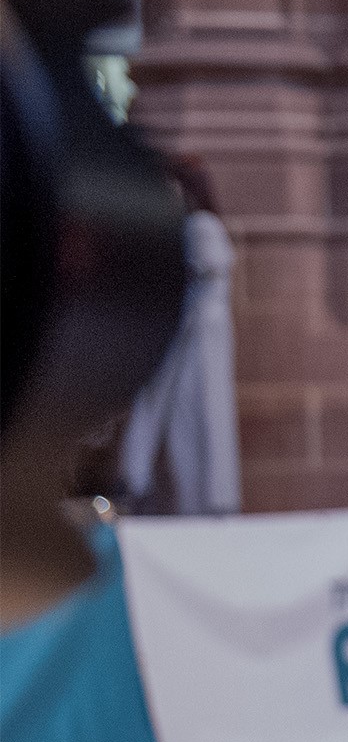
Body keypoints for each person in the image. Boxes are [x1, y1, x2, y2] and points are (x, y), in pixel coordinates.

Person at [116, 155, 241, 515]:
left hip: (199, 338)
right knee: (181, 429)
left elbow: (193, 277)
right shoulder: (199, 225)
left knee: (200, 425)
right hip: (191, 336)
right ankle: (181, 500)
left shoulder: (200, 226)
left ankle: (204, 503)